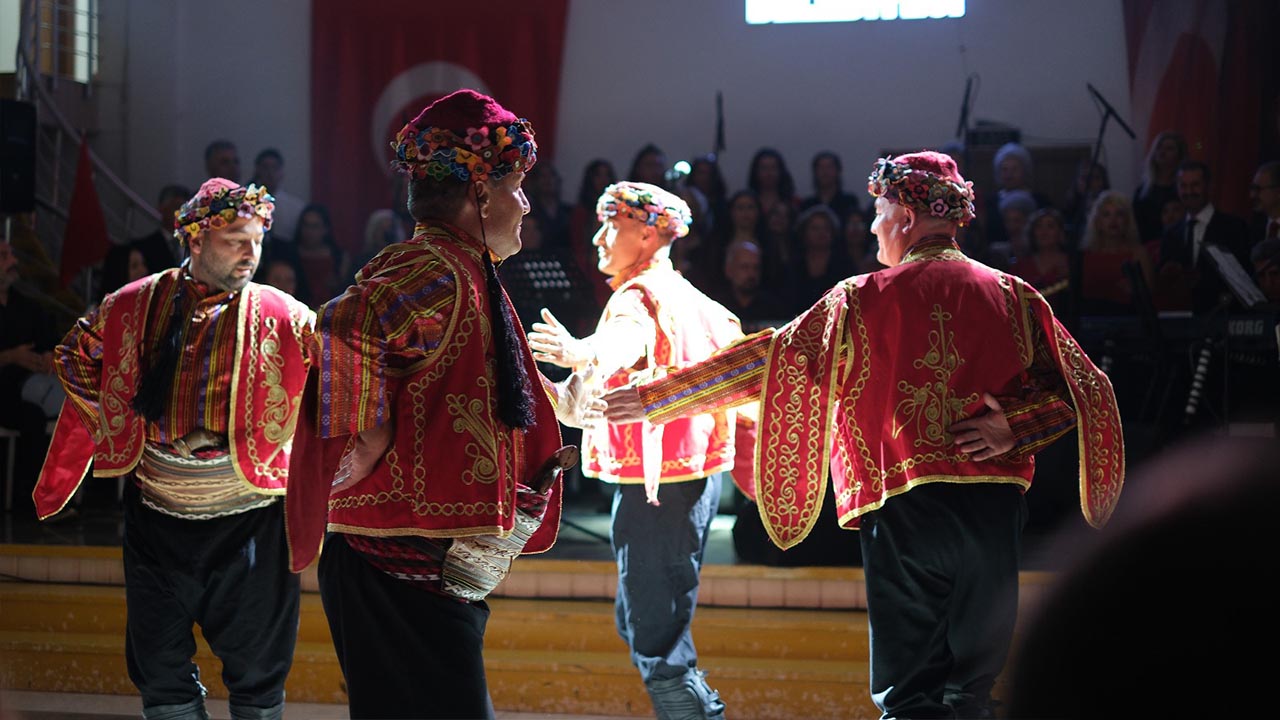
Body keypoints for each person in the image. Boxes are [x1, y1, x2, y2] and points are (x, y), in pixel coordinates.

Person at [604, 151, 1125, 720]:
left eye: (879, 212)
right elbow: (1084, 390)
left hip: (904, 511)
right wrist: (1014, 427)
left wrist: (658, 398)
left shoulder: (861, 298)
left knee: (911, 697)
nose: (874, 226)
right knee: (972, 691)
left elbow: (770, 360)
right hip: (994, 513)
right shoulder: (1014, 295)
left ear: (904, 214)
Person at [284, 88, 601, 720]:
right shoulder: (429, 266)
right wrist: (366, 433)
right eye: (518, 187)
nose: (528, 205)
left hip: (421, 571)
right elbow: (344, 324)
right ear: (480, 194)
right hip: (395, 567)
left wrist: (561, 399)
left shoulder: (462, 269)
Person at [34, 178, 314, 720]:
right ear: (195, 239)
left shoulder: (285, 314)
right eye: (235, 238)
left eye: (256, 241)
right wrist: (123, 427)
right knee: (160, 668)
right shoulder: (131, 305)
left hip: (250, 518)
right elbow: (71, 357)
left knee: (258, 671)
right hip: (156, 514)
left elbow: (339, 380)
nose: (249, 253)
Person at [526, 181, 745, 720]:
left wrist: (581, 352)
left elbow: (624, 339)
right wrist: (545, 385)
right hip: (678, 481)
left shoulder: (641, 296)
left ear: (647, 233)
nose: (599, 238)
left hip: (662, 488)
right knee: (645, 619)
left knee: (654, 630)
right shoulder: (696, 301)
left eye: (613, 226)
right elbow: (592, 398)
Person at [0, 238, 65, 515]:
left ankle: (61, 496)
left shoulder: (26, 305)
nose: (13, 261)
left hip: (30, 388)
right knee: (31, 417)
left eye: (11, 255)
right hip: (4, 390)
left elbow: (50, 341)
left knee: (67, 410)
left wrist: (49, 356)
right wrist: (11, 357)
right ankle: (28, 501)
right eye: (4, 256)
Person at [1158, 160, 1251, 314]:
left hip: (1224, 315)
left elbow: (1243, 275)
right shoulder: (1170, 233)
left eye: (1195, 185)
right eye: (1183, 186)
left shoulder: (1234, 227)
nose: (1189, 191)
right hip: (1182, 319)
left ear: (1208, 186)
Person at [250, 148, 306, 242]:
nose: (270, 173)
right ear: (257, 171)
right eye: (265, 167)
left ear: (281, 172)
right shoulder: (246, 204)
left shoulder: (296, 208)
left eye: (275, 168)